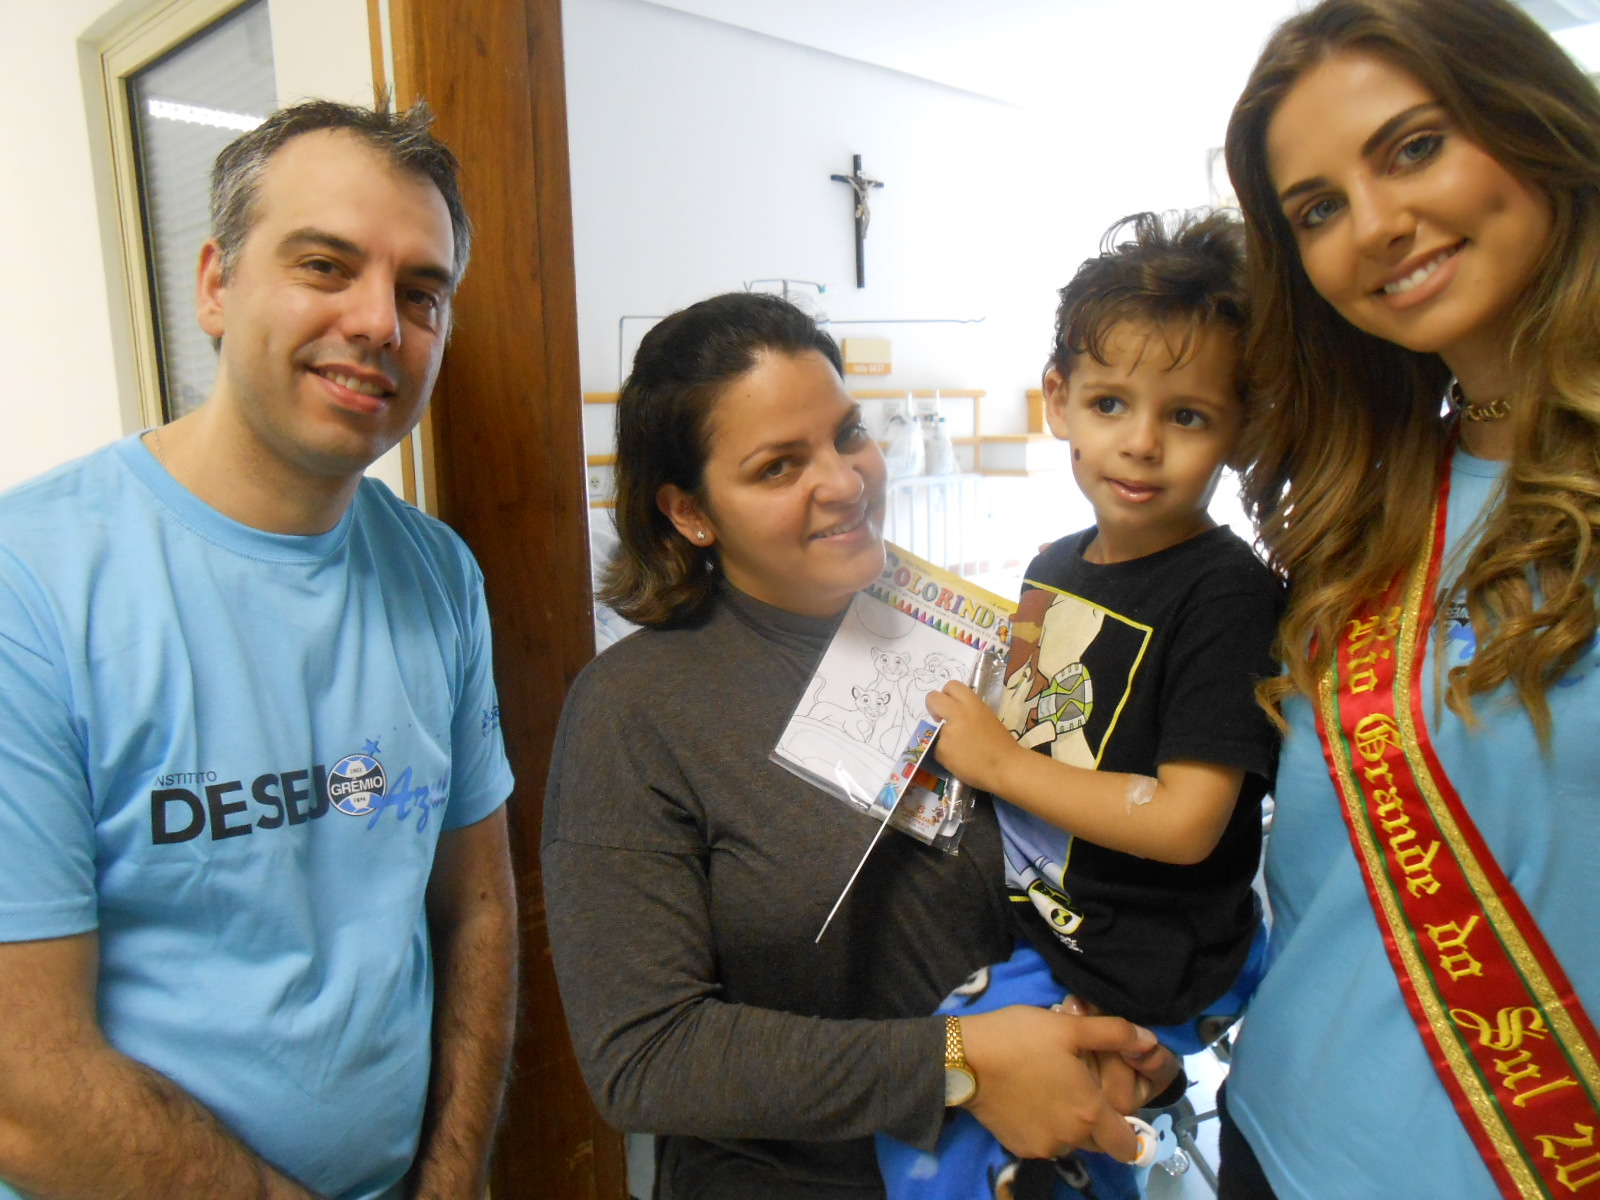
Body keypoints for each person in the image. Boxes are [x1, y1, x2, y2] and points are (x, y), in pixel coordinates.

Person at [541, 291, 1179, 1200]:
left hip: (1034, 1166)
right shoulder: (635, 711)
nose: (843, 482)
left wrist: (1134, 1032)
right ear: (689, 512)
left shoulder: (966, 642)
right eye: (776, 467)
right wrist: (957, 1062)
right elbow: (645, 1056)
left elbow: (1063, 886)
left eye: (848, 435)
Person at [0, 100, 517, 1200]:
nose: (380, 320)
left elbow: (473, 905)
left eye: (421, 292)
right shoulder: (28, 586)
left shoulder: (438, 578)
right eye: (325, 265)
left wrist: (455, 1174)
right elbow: (21, 1087)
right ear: (215, 286)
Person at [1218, 1, 1600, 1195]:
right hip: (1280, 1144)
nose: (1374, 228)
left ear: (1532, 123)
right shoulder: (1367, 511)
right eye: (1318, 210)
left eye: (1414, 146)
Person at [877, 211, 1283, 1200]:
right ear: (1057, 401)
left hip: (1139, 963)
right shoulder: (1051, 568)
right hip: (1041, 929)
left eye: (1186, 416)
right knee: (915, 1117)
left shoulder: (1226, 592)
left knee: (937, 1154)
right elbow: (1034, 732)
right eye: (1109, 402)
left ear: (1241, 426)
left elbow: (1189, 823)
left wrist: (1000, 764)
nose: (1140, 445)